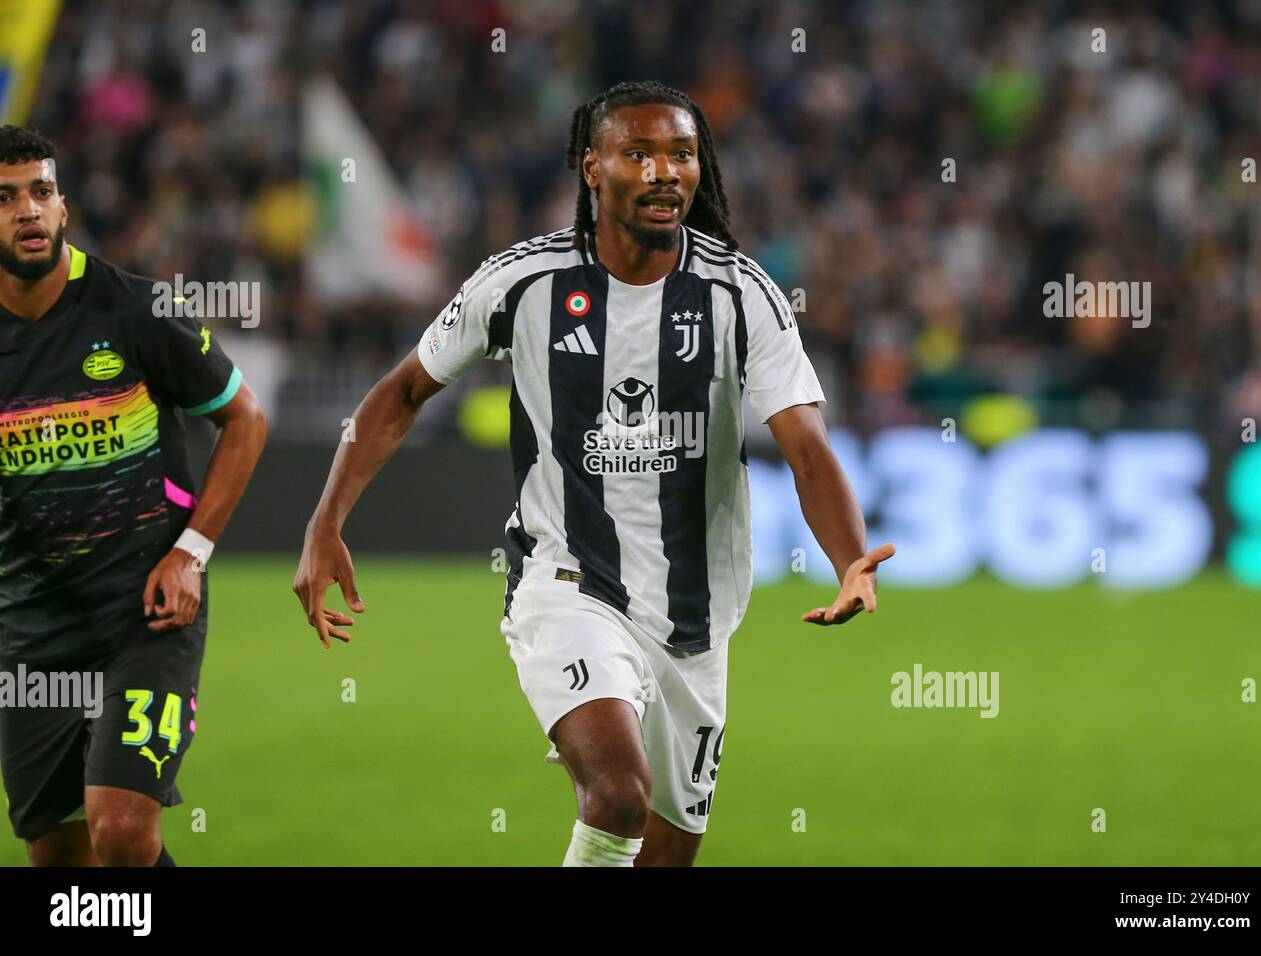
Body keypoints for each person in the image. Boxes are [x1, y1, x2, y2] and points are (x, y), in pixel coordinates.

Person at [293, 81, 894, 867]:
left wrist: (849, 558)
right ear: (592, 167)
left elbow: (808, 449)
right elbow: (402, 391)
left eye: (681, 154)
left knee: (664, 856)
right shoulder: (521, 283)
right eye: (637, 153)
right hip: (568, 582)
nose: (664, 171)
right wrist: (325, 521)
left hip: (697, 618)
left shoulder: (742, 295)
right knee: (617, 795)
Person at [0, 125, 267, 866]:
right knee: (58, 853)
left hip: (145, 615)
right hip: (30, 628)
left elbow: (244, 419)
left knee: (121, 831)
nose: (28, 211)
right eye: (5, 197)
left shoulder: (138, 310)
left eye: (41, 192)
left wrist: (191, 553)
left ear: (64, 207)